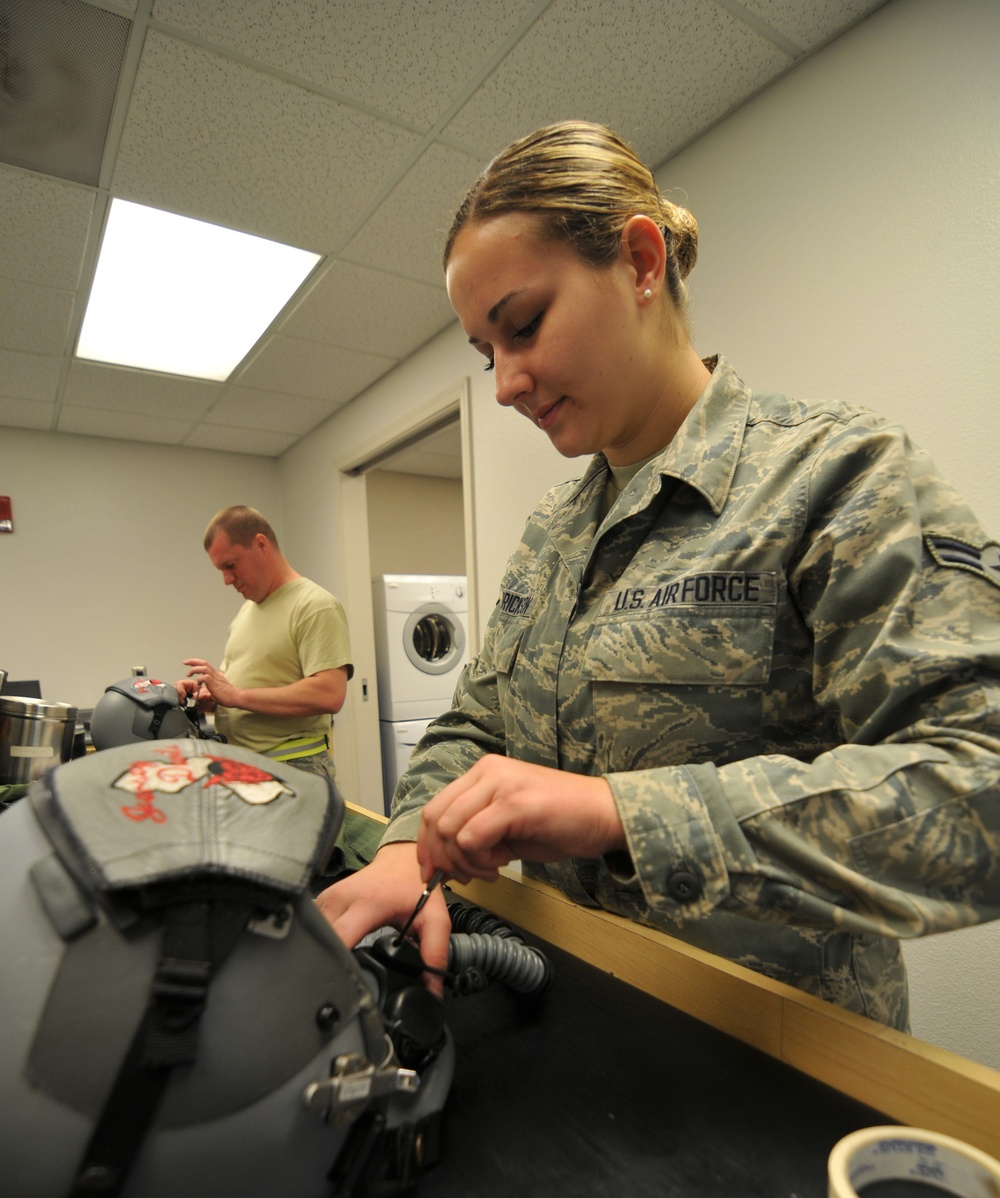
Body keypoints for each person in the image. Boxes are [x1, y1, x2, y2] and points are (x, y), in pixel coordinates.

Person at [317, 120, 1000, 1027]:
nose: (505, 385)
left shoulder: (837, 477)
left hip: (779, 1061)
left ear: (640, 262)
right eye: (488, 353)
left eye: (523, 327)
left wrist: (621, 814)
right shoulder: (552, 535)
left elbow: (980, 790)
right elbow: (477, 722)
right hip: (574, 1023)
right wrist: (409, 846)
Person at [176, 506, 353, 785]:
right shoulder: (247, 612)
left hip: (293, 770)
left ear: (261, 544)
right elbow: (239, 686)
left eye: (230, 565)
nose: (226, 580)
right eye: (220, 569)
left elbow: (330, 693)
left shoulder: (315, 605)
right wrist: (208, 695)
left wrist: (235, 695)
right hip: (244, 768)